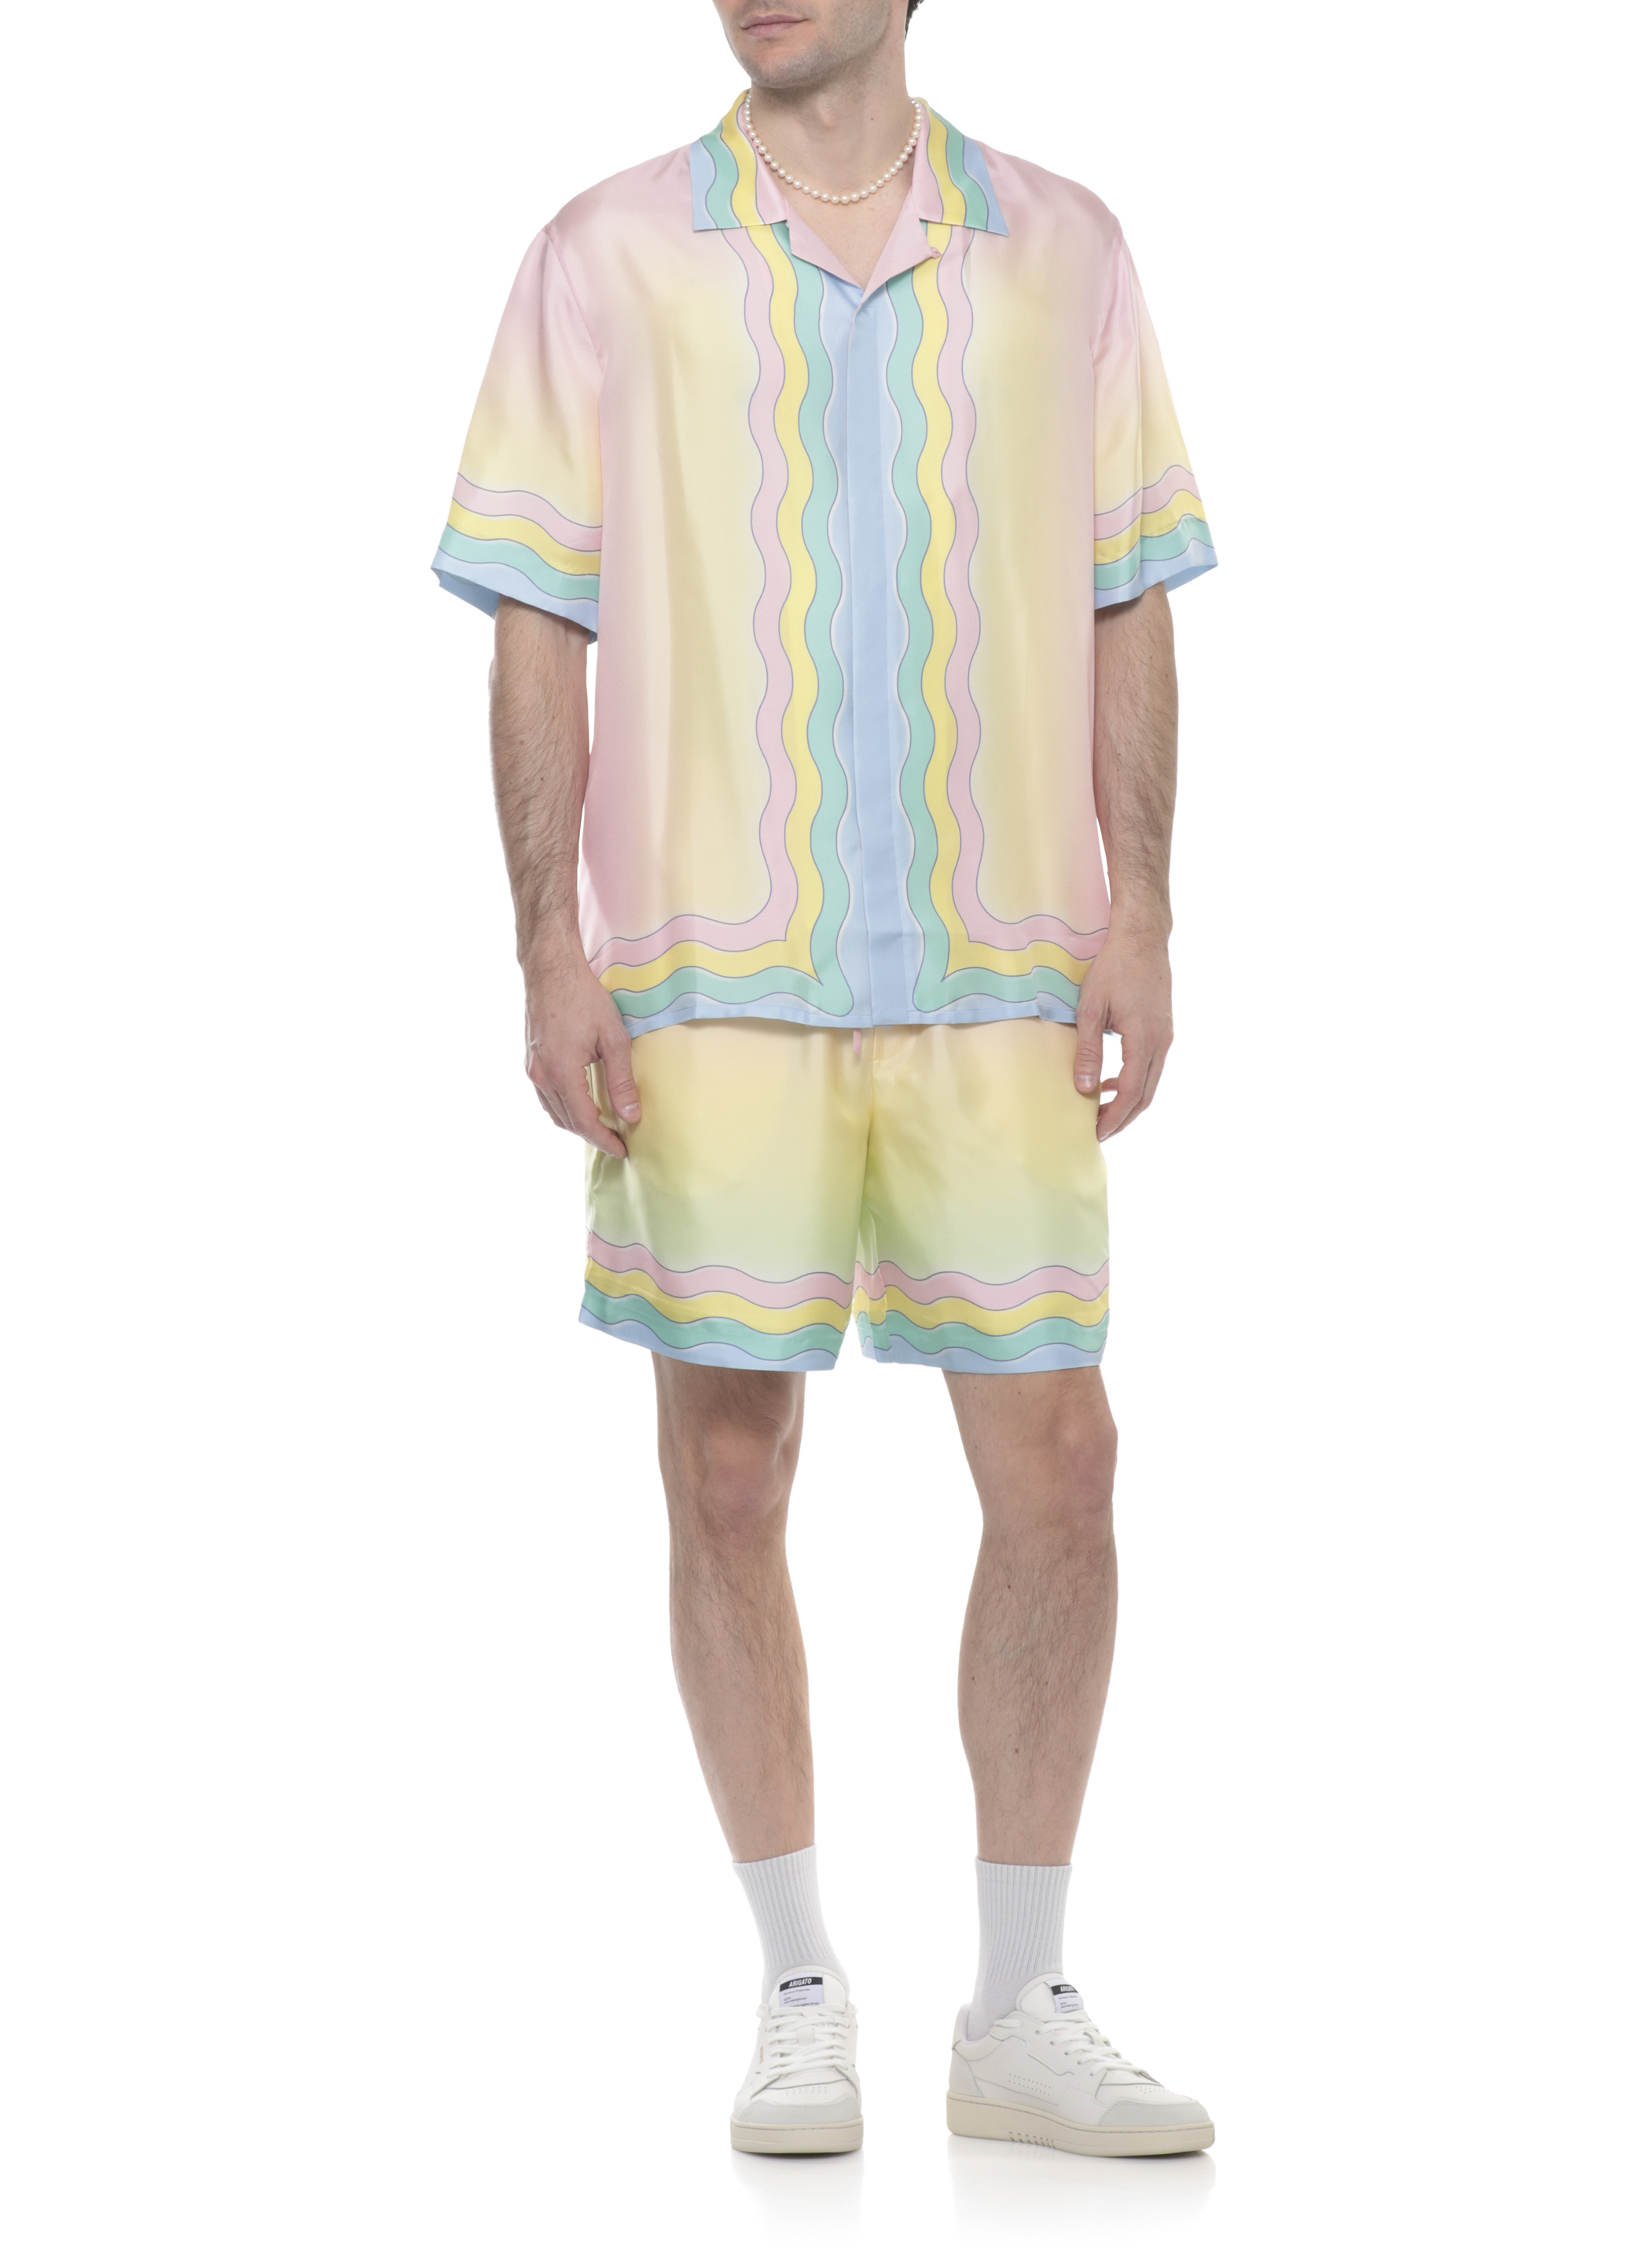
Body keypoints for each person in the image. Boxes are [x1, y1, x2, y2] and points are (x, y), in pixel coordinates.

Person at [433, 0, 1217, 2160]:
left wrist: (1144, 909)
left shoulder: (1063, 249)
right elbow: (534, 614)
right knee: (723, 1471)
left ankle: (1019, 2004)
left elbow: (1129, 586)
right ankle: (796, 1988)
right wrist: (545, 945)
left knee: (1060, 1462)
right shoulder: (605, 254)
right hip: (714, 966)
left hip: (996, 962)